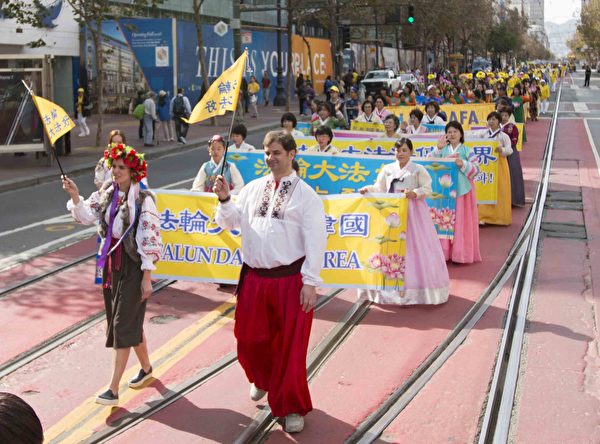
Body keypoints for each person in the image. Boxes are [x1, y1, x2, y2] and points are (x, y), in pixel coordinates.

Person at [213, 130, 327, 434]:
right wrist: (225, 198)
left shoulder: (307, 196)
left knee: (290, 347)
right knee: (248, 339)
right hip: (254, 278)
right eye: (266, 152)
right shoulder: (252, 188)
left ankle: (290, 406)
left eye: (276, 152)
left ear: (291, 155)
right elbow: (231, 221)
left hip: (290, 281)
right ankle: (263, 380)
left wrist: (310, 282)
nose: (270, 158)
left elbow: (317, 242)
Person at [62, 143, 162, 405]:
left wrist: (147, 276)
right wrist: (75, 195)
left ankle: (114, 388)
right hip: (111, 265)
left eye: (121, 168)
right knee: (127, 322)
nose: (116, 172)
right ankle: (147, 368)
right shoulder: (107, 194)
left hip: (133, 266)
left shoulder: (144, 199)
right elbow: (85, 215)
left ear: (133, 171)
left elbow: (149, 238)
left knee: (121, 325)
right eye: (114, 167)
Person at [358, 138, 449, 305]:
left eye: (404, 150)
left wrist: (414, 193)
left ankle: (416, 289)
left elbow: (428, 189)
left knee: (415, 246)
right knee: (389, 245)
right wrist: (368, 189)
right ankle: (389, 289)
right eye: (397, 150)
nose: (400, 153)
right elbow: (379, 188)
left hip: (414, 214)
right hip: (391, 213)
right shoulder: (387, 169)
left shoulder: (418, 169)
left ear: (411, 152)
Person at [429, 122, 481, 264]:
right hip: (445, 191)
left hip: (462, 192)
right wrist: (437, 149)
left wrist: (463, 164)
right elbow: (429, 163)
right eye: (449, 132)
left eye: (455, 132)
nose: (452, 134)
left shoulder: (467, 151)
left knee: (461, 220)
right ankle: (444, 252)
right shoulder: (442, 150)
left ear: (461, 134)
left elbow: (477, 170)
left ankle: (461, 253)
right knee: (444, 220)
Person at [469, 111, 513, 226]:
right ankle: (482, 216)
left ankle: (499, 217)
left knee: (500, 189)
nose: (491, 121)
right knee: (484, 188)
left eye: (494, 119)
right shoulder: (482, 134)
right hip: (485, 165)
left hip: (500, 166)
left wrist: (502, 150)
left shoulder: (504, 136)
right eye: (490, 119)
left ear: (498, 121)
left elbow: (510, 150)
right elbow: (470, 138)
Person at [499, 107, 525, 207]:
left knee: (513, 174)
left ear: (509, 116)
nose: (504, 117)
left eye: (506, 115)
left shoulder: (512, 127)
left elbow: (514, 140)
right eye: (502, 115)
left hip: (511, 152)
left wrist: (506, 146)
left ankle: (514, 200)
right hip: (499, 152)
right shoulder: (497, 126)